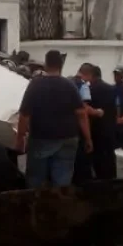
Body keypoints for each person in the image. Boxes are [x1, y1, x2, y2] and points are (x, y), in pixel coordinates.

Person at [16, 50, 93, 189]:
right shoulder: (70, 86)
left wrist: (20, 139)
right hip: (68, 139)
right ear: (61, 65)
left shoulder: (36, 85)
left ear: (46, 65)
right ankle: (60, 207)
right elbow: (81, 114)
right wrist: (88, 139)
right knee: (62, 182)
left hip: (41, 139)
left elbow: (24, 115)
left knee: (36, 181)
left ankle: (38, 208)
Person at [77, 64, 114, 180]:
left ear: (91, 76)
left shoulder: (88, 89)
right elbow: (116, 110)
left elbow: (84, 110)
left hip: (94, 130)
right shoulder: (111, 89)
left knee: (94, 159)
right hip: (108, 129)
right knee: (108, 159)